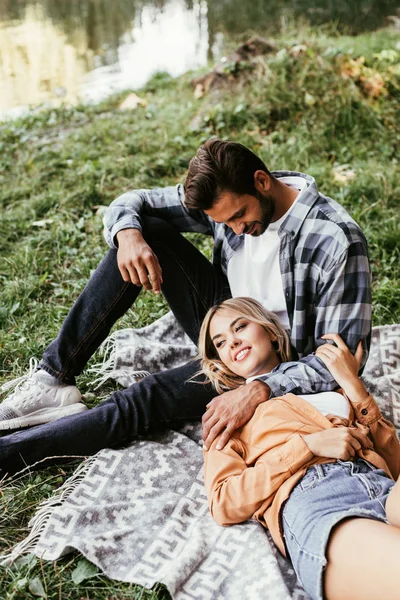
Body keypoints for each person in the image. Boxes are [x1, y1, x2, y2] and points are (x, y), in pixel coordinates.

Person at [0, 139, 371, 477]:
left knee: (141, 399)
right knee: (144, 232)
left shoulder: (335, 239)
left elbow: (338, 362)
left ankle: (7, 456)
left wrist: (259, 389)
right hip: (226, 327)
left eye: (239, 216)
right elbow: (133, 201)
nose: (236, 230)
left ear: (261, 181)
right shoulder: (227, 205)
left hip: (275, 363)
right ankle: (54, 378)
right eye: (224, 223)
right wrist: (127, 235)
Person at [200, 297, 400, 600]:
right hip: (322, 505)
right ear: (221, 360)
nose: (233, 341)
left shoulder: (328, 386)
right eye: (221, 342)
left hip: (381, 484)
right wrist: (306, 446)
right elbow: (224, 501)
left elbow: (394, 463)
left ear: (270, 330)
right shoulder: (228, 414)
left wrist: (353, 386)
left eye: (240, 326)